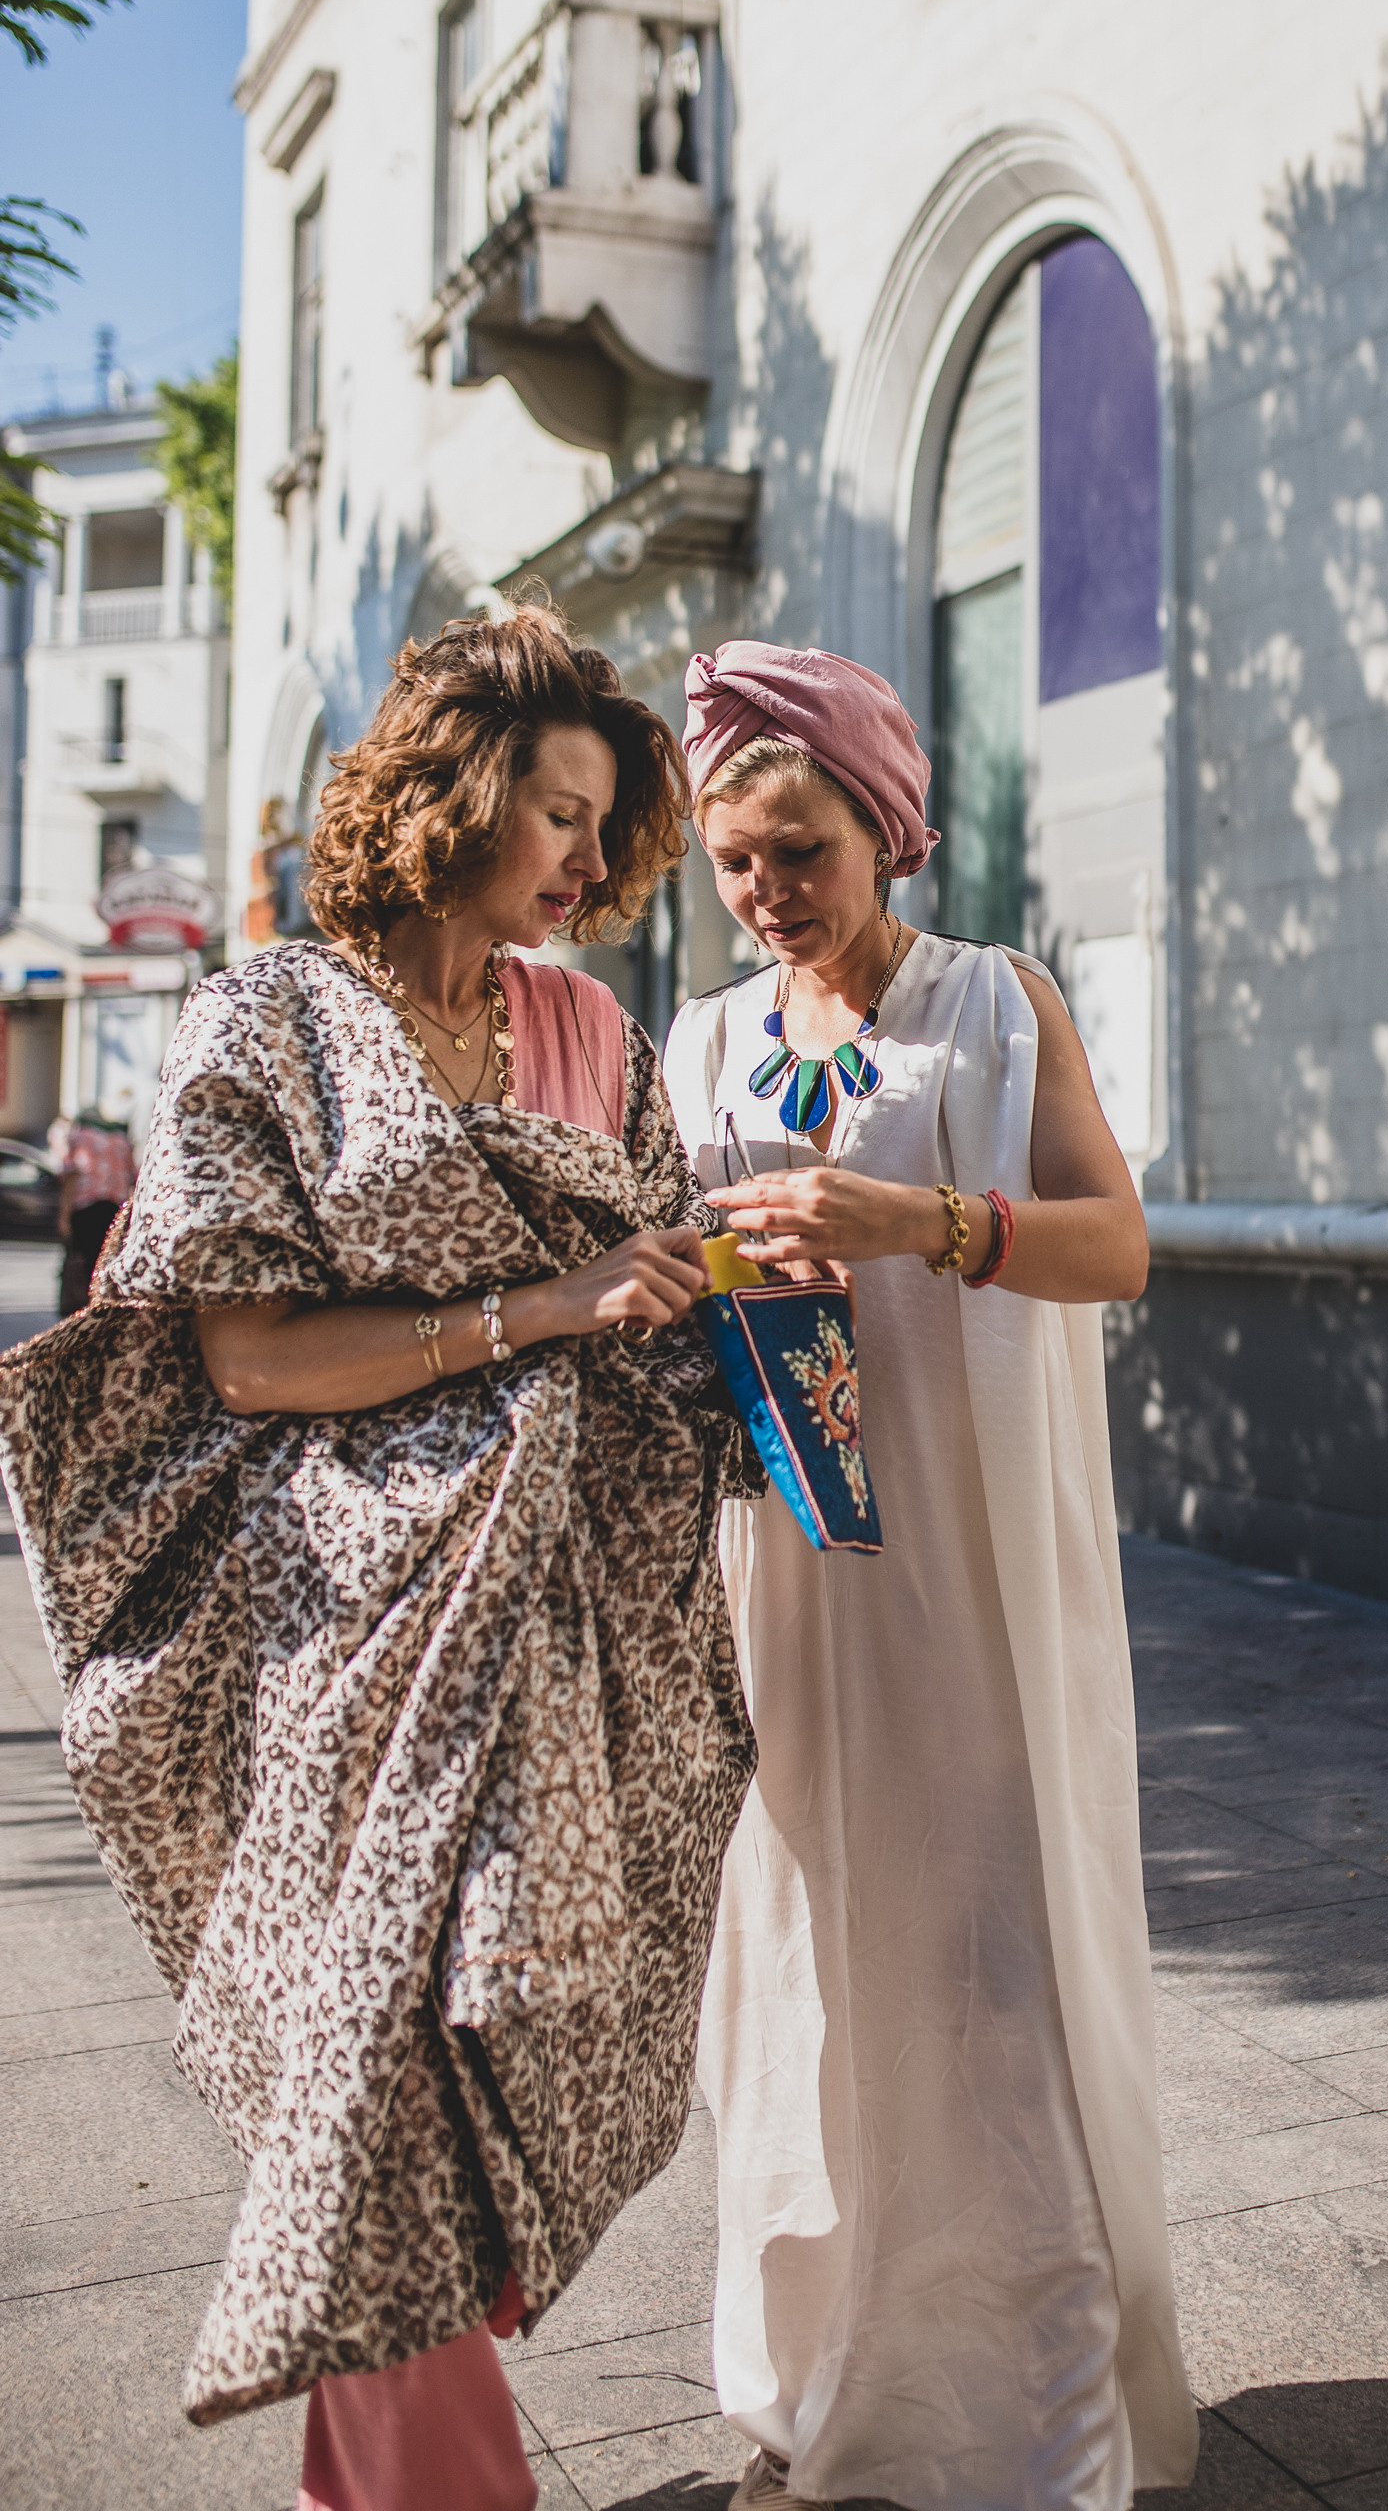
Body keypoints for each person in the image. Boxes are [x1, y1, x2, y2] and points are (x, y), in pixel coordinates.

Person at [0, 607, 755, 2511]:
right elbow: (244, 1355)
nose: (595, 864)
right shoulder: (269, 1015)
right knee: (375, 2066)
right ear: (459, 795)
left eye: (608, 823)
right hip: (335, 1621)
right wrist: (539, 1306)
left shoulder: (583, 1027)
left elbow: (647, 1290)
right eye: (563, 816)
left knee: (469, 2049)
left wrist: (728, 1288)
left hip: (555, 1618)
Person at [661, 641, 1197, 2511]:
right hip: (788, 1574)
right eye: (734, 860)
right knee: (802, 1975)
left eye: (798, 847)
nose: (766, 891)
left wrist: (925, 1224)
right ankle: (813, 2389)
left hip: (967, 1579)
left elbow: (1117, 1249)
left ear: (886, 825)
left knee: (991, 1974)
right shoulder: (710, 1040)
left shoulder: (995, 1004)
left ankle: (1023, 2435)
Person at [55, 1103, 136, 1314]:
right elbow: (132, 1177)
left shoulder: (79, 1138)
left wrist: (64, 1216)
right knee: (108, 1258)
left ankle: (85, 1306)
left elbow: (71, 1175)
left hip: (86, 1207)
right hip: (114, 1208)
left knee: (83, 1259)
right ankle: (103, 1302)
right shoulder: (120, 1141)